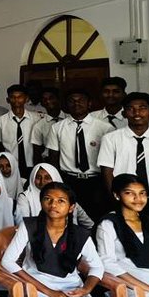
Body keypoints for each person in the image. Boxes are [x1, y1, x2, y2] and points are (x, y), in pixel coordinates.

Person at [44, 88, 113, 221]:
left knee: (98, 217)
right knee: (71, 218)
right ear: (66, 105)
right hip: (69, 180)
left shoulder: (105, 128)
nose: (76, 104)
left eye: (81, 100)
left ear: (89, 103)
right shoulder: (57, 127)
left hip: (96, 181)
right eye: (72, 101)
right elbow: (53, 158)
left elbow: (111, 160)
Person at [14, 163, 94, 230]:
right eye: (38, 177)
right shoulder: (25, 197)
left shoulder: (66, 196)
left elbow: (88, 223)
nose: (42, 181)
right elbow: (22, 224)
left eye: (47, 178)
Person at [0, 84, 42, 176]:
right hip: (10, 166)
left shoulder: (36, 119)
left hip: (32, 165)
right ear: (8, 100)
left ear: (26, 99)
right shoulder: (0, 121)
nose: (16, 100)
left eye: (20, 97)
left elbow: (42, 143)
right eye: (13, 97)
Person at [30, 88, 66, 163]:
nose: (48, 101)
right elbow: (37, 152)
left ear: (58, 99)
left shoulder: (70, 119)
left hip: (69, 163)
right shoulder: (39, 125)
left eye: (51, 98)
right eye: (44, 99)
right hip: (49, 161)